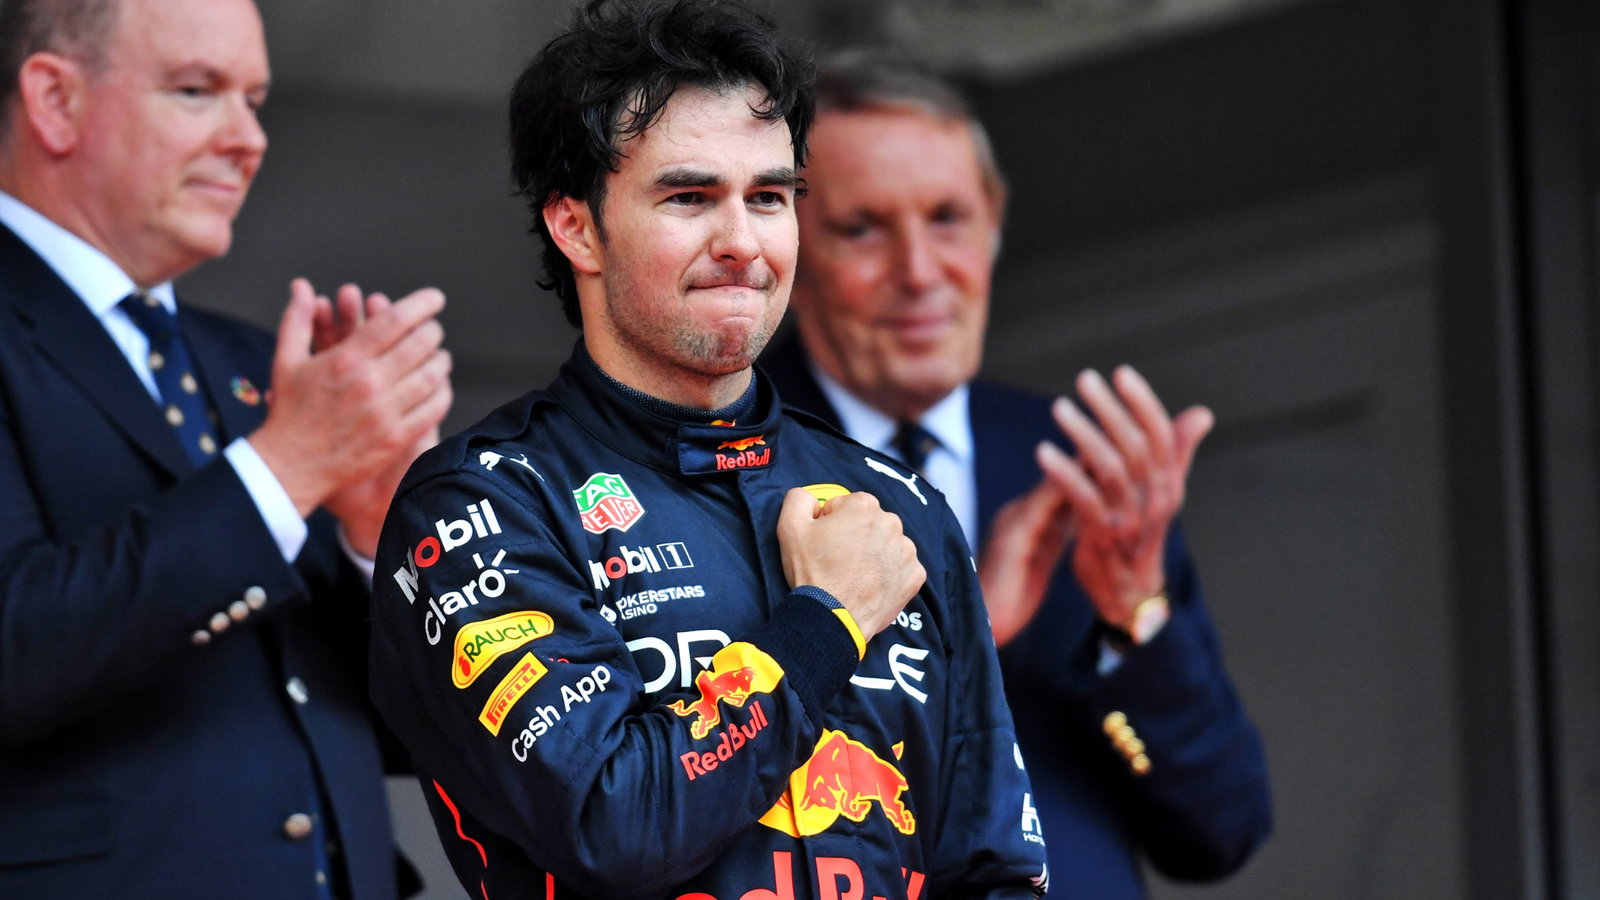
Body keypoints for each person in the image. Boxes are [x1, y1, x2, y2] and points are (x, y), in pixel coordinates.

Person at [367, 2, 1049, 898]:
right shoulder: (480, 509)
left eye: (768, 198)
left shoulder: (896, 504)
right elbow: (611, 822)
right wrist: (826, 621)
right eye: (689, 198)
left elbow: (995, 866)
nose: (742, 243)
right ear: (577, 227)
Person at [761, 52, 1273, 897]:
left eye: (949, 218)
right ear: (789, 246)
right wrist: (968, 636)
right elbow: (683, 787)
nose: (921, 272)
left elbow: (1219, 831)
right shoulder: (714, 454)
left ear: (995, 224)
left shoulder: (1082, 464)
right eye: (863, 229)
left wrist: (1134, 616)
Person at [0, 0, 453, 896]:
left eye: (256, 99)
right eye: (198, 91)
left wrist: (377, 539)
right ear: (54, 100)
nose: (249, 139)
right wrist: (285, 470)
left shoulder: (255, 367)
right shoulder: (292, 417)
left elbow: (412, 738)